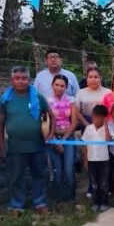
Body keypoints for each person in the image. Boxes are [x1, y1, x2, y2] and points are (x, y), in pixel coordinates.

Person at [0, 66, 51, 217]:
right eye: (17, 78)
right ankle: (16, 204)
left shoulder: (37, 97)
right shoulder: (6, 99)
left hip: (37, 145)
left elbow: (49, 115)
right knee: (16, 177)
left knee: (39, 174)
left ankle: (40, 202)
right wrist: (1, 147)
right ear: (12, 80)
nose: (20, 81)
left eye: (24, 78)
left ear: (29, 80)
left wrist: (49, 134)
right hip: (16, 146)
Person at [47, 74, 80, 202]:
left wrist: (63, 140)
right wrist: (55, 139)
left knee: (68, 168)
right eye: (57, 85)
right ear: (52, 85)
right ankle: (58, 198)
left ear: (66, 87)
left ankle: (71, 197)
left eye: (62, 86)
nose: (59, 88)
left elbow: (74, 123)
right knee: (57, 169)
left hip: (68, 137)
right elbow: (46, 123)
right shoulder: (47, 102)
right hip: (53, 137)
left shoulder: (71, 101)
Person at [82, 105, 110, 212]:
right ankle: (95, 202)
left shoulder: (107, 128)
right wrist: (85, 159)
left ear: (104, 118)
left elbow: (109, 140)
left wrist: (106, 126)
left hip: (104, 160)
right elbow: (85, 145)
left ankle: (104, 202)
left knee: (103, 182)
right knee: (94, 182)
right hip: (91, 160)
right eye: (93, 117)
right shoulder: (89, 128)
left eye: (98, 117)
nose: (95, 120)